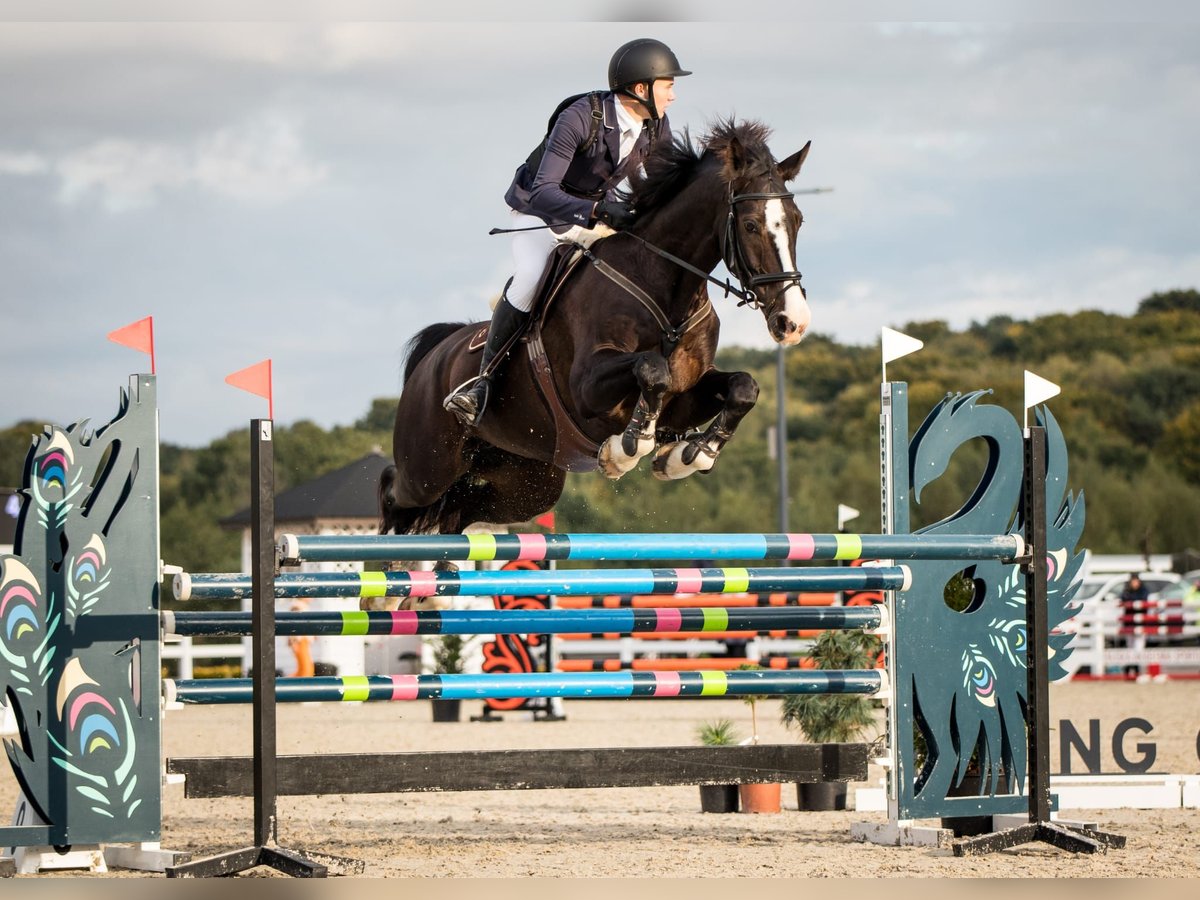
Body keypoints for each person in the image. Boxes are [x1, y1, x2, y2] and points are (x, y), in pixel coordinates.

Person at [443, 38, 691, 426]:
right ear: (641, 89)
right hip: (539, 212)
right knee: (529, 277)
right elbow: (544, 190)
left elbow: (663, 184)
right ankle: (482, 383)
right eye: (668, 85)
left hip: (595, 213)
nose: (673, 96)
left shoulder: (654, 123)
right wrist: (595, 210)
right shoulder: (580, 116)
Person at [1118, 574, 1149, 678]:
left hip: (1140, 623)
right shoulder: (1127, 590)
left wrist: (1130, 598)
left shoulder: (1143, 590)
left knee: (1139, 647)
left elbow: (1142, 599)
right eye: (1133, 581)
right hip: (1129, 622)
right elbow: (1122, 598)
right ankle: (1131, 667)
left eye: (1136, 581)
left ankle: (1136, 668)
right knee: (1130, 646)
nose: (1134, 583)